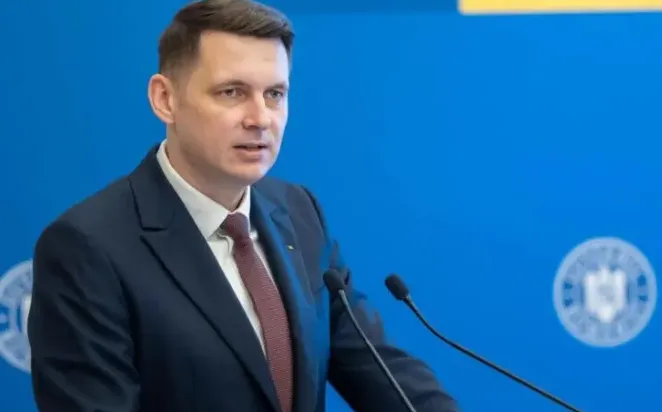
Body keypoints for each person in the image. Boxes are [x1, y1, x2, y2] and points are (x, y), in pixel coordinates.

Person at [27, 0, 458, 411]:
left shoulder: (300, 212)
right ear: (165, 99)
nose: (260, 118)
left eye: (275, 94)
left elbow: (379, 369)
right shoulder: (88, 248)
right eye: (232, 92)